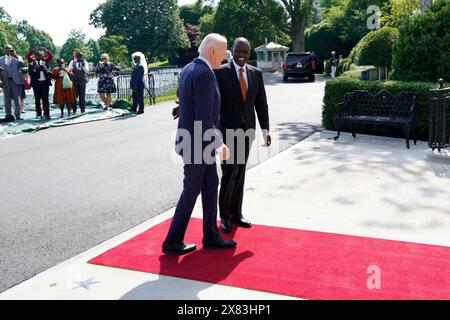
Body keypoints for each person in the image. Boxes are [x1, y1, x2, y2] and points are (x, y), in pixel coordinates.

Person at [162, 33, 235, 255]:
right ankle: (172, 241)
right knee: (191, 191)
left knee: (211, 185)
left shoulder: (188, 69)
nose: (223, 59)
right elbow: (205, 117)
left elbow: (188, 103)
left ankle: (211, 235)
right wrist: (220, 143)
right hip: (198, 146)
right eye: (222, 54)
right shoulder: (205, 74)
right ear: (213, 51)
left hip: (195, 143)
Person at [214, 37, 271, 233]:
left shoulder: (256, 74)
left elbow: (261, 105)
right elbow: (213, 103)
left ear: (249, 53)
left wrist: (266, 130)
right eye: (238, 51)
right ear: (232, 50)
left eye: (245, 52)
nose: (241, 55)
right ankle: (224, 215)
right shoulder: (220, 73)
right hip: (227, 133)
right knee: (229, 173)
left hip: (247, 132)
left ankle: (236, 213)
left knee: (240, 173)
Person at [0, 44, 24, 122]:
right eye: (6, 48)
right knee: (7, 99)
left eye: (9, 48)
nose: (8, 50)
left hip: (15, 81)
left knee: (16, 99)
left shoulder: (17, 58)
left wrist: (15, 56)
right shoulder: (0, 59)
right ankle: (8, 115)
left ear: (12, 49)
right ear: (4, 50)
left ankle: (17, 114)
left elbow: (22, 64)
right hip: (5, 81)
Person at [28, 49, 53, 120]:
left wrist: (46, 70)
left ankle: (46, 114)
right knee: (37, 99)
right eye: (37, 55)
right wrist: (34, 69)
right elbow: (30, 73)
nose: (39, 56)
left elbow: (49, 73)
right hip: (36, 84)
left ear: (42, 55)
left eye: (40, 55)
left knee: (45, 99)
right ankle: (38, 114)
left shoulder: (45, 62)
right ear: (35, 56)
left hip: (45, 83)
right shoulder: (31, 63)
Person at [68, 49, 89, 114]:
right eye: (75, 54)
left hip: (82, 80)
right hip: (74, 81)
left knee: (82, 95)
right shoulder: (72, 62)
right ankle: (74, 109)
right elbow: (68, 71)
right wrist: (73, 66)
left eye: (78, 55)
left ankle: (82, 109)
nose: (77, 56)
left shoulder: (85, 62)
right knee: (74, 96)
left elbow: (87, 72)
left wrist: (82, 66)